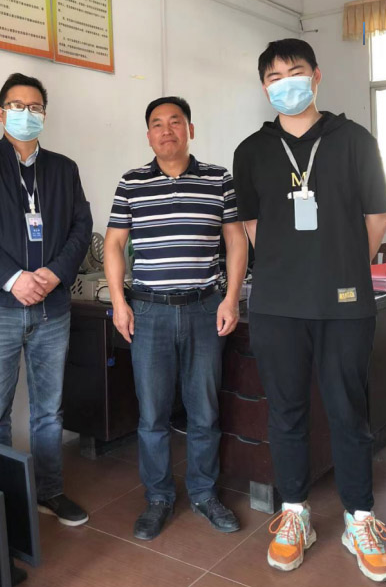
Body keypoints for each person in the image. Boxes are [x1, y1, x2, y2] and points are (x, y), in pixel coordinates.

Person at [232, 39, 386, 582]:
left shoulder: (354, 140)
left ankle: (359, 518)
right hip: (278, 306)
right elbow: (252, 225)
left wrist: (341, 267)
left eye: (296, 72)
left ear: (317, 76)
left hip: (344, 305)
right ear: (264, 87)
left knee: (349, 410)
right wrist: (291, 269)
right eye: (274, 77)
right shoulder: (251, 151)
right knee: (286, 411)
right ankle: (295, 514)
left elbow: (377, 215)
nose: (286, 84)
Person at [104, 96, 248, 541]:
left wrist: (231, 298)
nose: (166, 130)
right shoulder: (131, 182)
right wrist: (119, 302)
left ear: (190, 129)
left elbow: (236, 241)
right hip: (149, 311)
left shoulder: (219, 179)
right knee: (152, 413)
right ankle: (159, 497)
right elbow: (113, 244)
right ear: (148, 135)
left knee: (204, 410)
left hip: (205, 307)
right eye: (157, 124)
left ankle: (204, 493)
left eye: (175, 122)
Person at [0, 72, 92, 526]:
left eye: (35, 107)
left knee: (49, 412)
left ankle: (50, 491)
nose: (25, 114)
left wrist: (54, 274)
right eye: (17, 106)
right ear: (1, 113)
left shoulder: (64, 169)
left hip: (52, 309)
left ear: (44, 115)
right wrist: (14, 279)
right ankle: (2, 505)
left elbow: (80, 227)